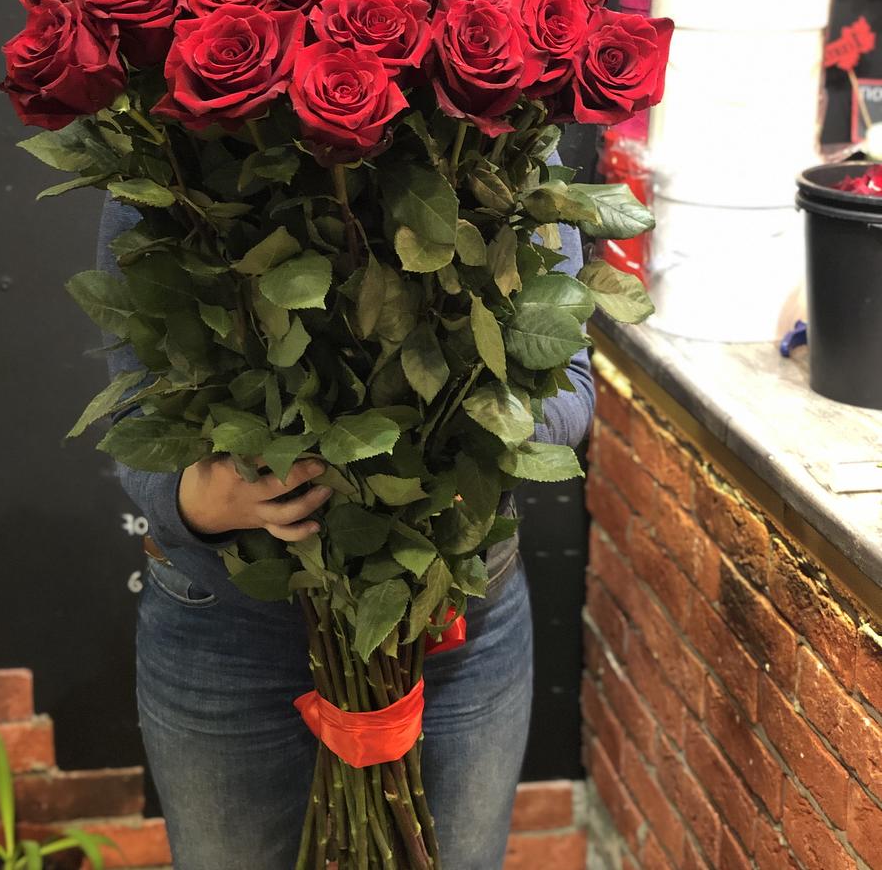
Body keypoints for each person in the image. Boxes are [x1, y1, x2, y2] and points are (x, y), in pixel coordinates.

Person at [93, 151, 596, 870]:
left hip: (454, 627)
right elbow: (137, 410)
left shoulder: (503, 137)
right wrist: (196, 500)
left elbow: (568, 381)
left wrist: (456, 442)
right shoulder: (176, 143)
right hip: (230, 633)